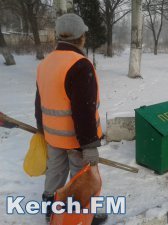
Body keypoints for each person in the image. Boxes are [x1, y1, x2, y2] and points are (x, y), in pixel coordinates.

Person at [35, 13, 106, 224]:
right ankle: (83, 216)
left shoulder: (46, 63)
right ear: (81, 36)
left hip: (53, 136)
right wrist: (89, 145)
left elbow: (39, 100)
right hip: (76, 140)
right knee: (80, 177)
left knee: (55, 173)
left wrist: (42, 128)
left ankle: (51, 210)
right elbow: (84, 111)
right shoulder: (80, 65)